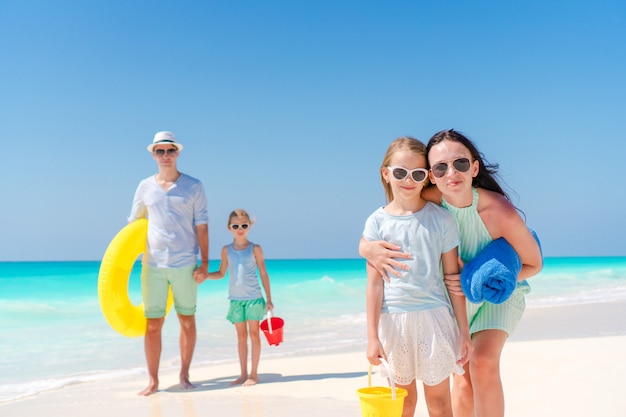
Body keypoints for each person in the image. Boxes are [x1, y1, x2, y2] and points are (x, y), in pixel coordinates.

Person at [360, 129, 543, 417]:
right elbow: (389, 220)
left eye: (459, 164)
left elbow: (535, 263)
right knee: (462, 378)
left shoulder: (499, 211)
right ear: (431, 175)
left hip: (499, 295)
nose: (451, 174)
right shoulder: (431, 200)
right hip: (456, 296)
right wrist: (366, 249)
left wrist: (480, 280)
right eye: (440, 168)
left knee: (482, 362)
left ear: (473, 167)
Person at [362, 137, 472, 417]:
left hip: (434, 319)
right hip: (393, 322)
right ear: (386, 173)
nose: (408, 180)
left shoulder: (442, 220)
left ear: (428, 178)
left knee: (439, 404)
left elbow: (452, 279)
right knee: (403, 404)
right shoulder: (377, 222)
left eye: (418, 174)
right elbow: (374, 286)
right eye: (400, 172)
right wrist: (372, 337)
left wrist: (463, 331)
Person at [128, 131, 209, 396]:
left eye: (170, 150)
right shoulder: (144, 187)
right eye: (160, 151)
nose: (165, 155)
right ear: (153, 154)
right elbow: (135, 225)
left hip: (186, 263)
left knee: (187, 319)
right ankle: (153, 380)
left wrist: (205, 262)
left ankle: (184, 375)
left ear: (178, 153)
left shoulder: (194, 186)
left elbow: (202, 225)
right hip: (153, 266)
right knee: (153, 324)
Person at [199, 208, 273, 386]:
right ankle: (243, 374)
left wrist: (269, 298)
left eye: (244, 225)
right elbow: (222, 273)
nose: (240, 228)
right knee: (241, 337)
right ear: (229, 228)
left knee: (254, 335)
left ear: (249, 227)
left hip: (254, 298)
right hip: (236, 300)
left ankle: (254, 374)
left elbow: (263, 273)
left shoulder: (255, 249)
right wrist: (205, 275)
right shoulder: (226, 250)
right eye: (236, 225)